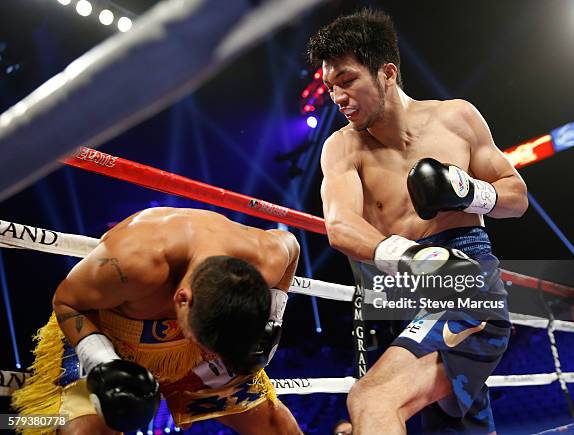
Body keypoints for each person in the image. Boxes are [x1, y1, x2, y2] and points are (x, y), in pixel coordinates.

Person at [308, 9, 528, 435]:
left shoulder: (455, 118)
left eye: (348, 80)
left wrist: (471, 192)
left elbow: (516, 197)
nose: (337, 97)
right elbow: (340, 226)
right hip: (402, 291)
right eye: (330, 86)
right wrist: (414, 261)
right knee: (450, 427)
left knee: (372, 399)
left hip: (466, 277)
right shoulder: (342, 148)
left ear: (387, 72)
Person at [12, 207, 302, 435]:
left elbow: (292, 244)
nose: (212, 354)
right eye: (201, 339)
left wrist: (271, 320)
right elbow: (66, 302)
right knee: (84, 431)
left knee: (276, 425)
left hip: (189, 350)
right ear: (182, 298)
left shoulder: (266, 257)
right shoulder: (133, 263)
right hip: (107, 334)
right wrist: (104, 364)